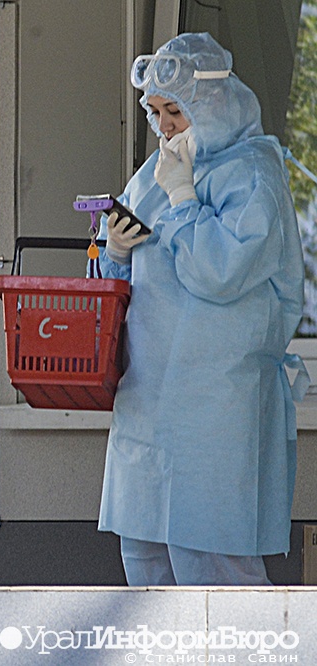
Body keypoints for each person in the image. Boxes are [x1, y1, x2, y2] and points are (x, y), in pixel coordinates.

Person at [96, 32, 306, 586]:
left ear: (212, 100)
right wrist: (114, 253)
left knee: (217, 574)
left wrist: (184, 200)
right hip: (147, 404)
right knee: (147, 571)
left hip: (216, 409)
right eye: (157, 112)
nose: (165, 126)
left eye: (176, 111)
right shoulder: (154, 174)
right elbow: (113, 294)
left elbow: (220, 272)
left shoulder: (254, 175)